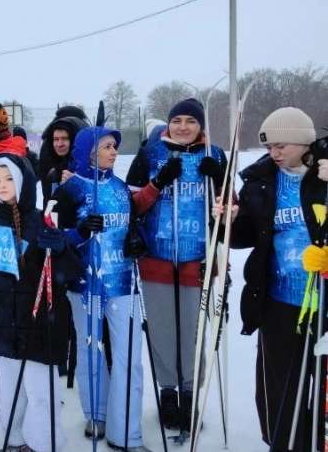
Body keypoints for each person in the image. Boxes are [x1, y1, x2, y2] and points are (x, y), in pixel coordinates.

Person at [125, 98, 227, 431]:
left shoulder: (214, 155)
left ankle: (189, 393)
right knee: (162, 329)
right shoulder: (150, 154)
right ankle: (168, 392)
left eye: (191, 121)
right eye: (177, 120)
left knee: (192, 333)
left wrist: (222, 179)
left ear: (201, 126)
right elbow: (131, 207)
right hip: (156, 257)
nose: (183, 127)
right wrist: (158, 183)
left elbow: (230, 212)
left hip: (196, 260)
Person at [228, 107, 326, 451]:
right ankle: (287, 444)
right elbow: (245, 237)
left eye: (281, 145)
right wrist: (228, 221)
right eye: (270, 147)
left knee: (321, 385)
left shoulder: (325, 176)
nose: (275, 153)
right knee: (279, 386)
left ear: (304, 141)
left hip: (323, 302)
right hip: (280, 302)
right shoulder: (263, 182)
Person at [0, 153, 78, 452]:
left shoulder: (44, 219)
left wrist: (59, 250)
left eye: (8, 179)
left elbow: (71, 272)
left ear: (22, 181)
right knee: (9, 393)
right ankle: (13, 441)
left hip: (40, 323)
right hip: (5, 323)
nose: (2, 185)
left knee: (41, 393)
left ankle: (44, 444)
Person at [54, 125, 149, 451]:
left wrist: (138, 242)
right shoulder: (70, 190)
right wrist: (80, 231)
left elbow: (133, 228)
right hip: (86, 284)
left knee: (130, 357)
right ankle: (96, 413)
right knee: (91, 351)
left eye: (114, 146)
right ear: (89, 150)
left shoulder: (122, 189)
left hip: (123, 282)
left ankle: (127, 432)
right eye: (107, 146)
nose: (113, 151)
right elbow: (56, 240)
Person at [38, 113, 88, 208]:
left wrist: (77, 183)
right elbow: (50, 207)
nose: (59, 144)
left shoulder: (91, 171)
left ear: (75, 140)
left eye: (64, 139)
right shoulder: (54, 172)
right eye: (56, 139)